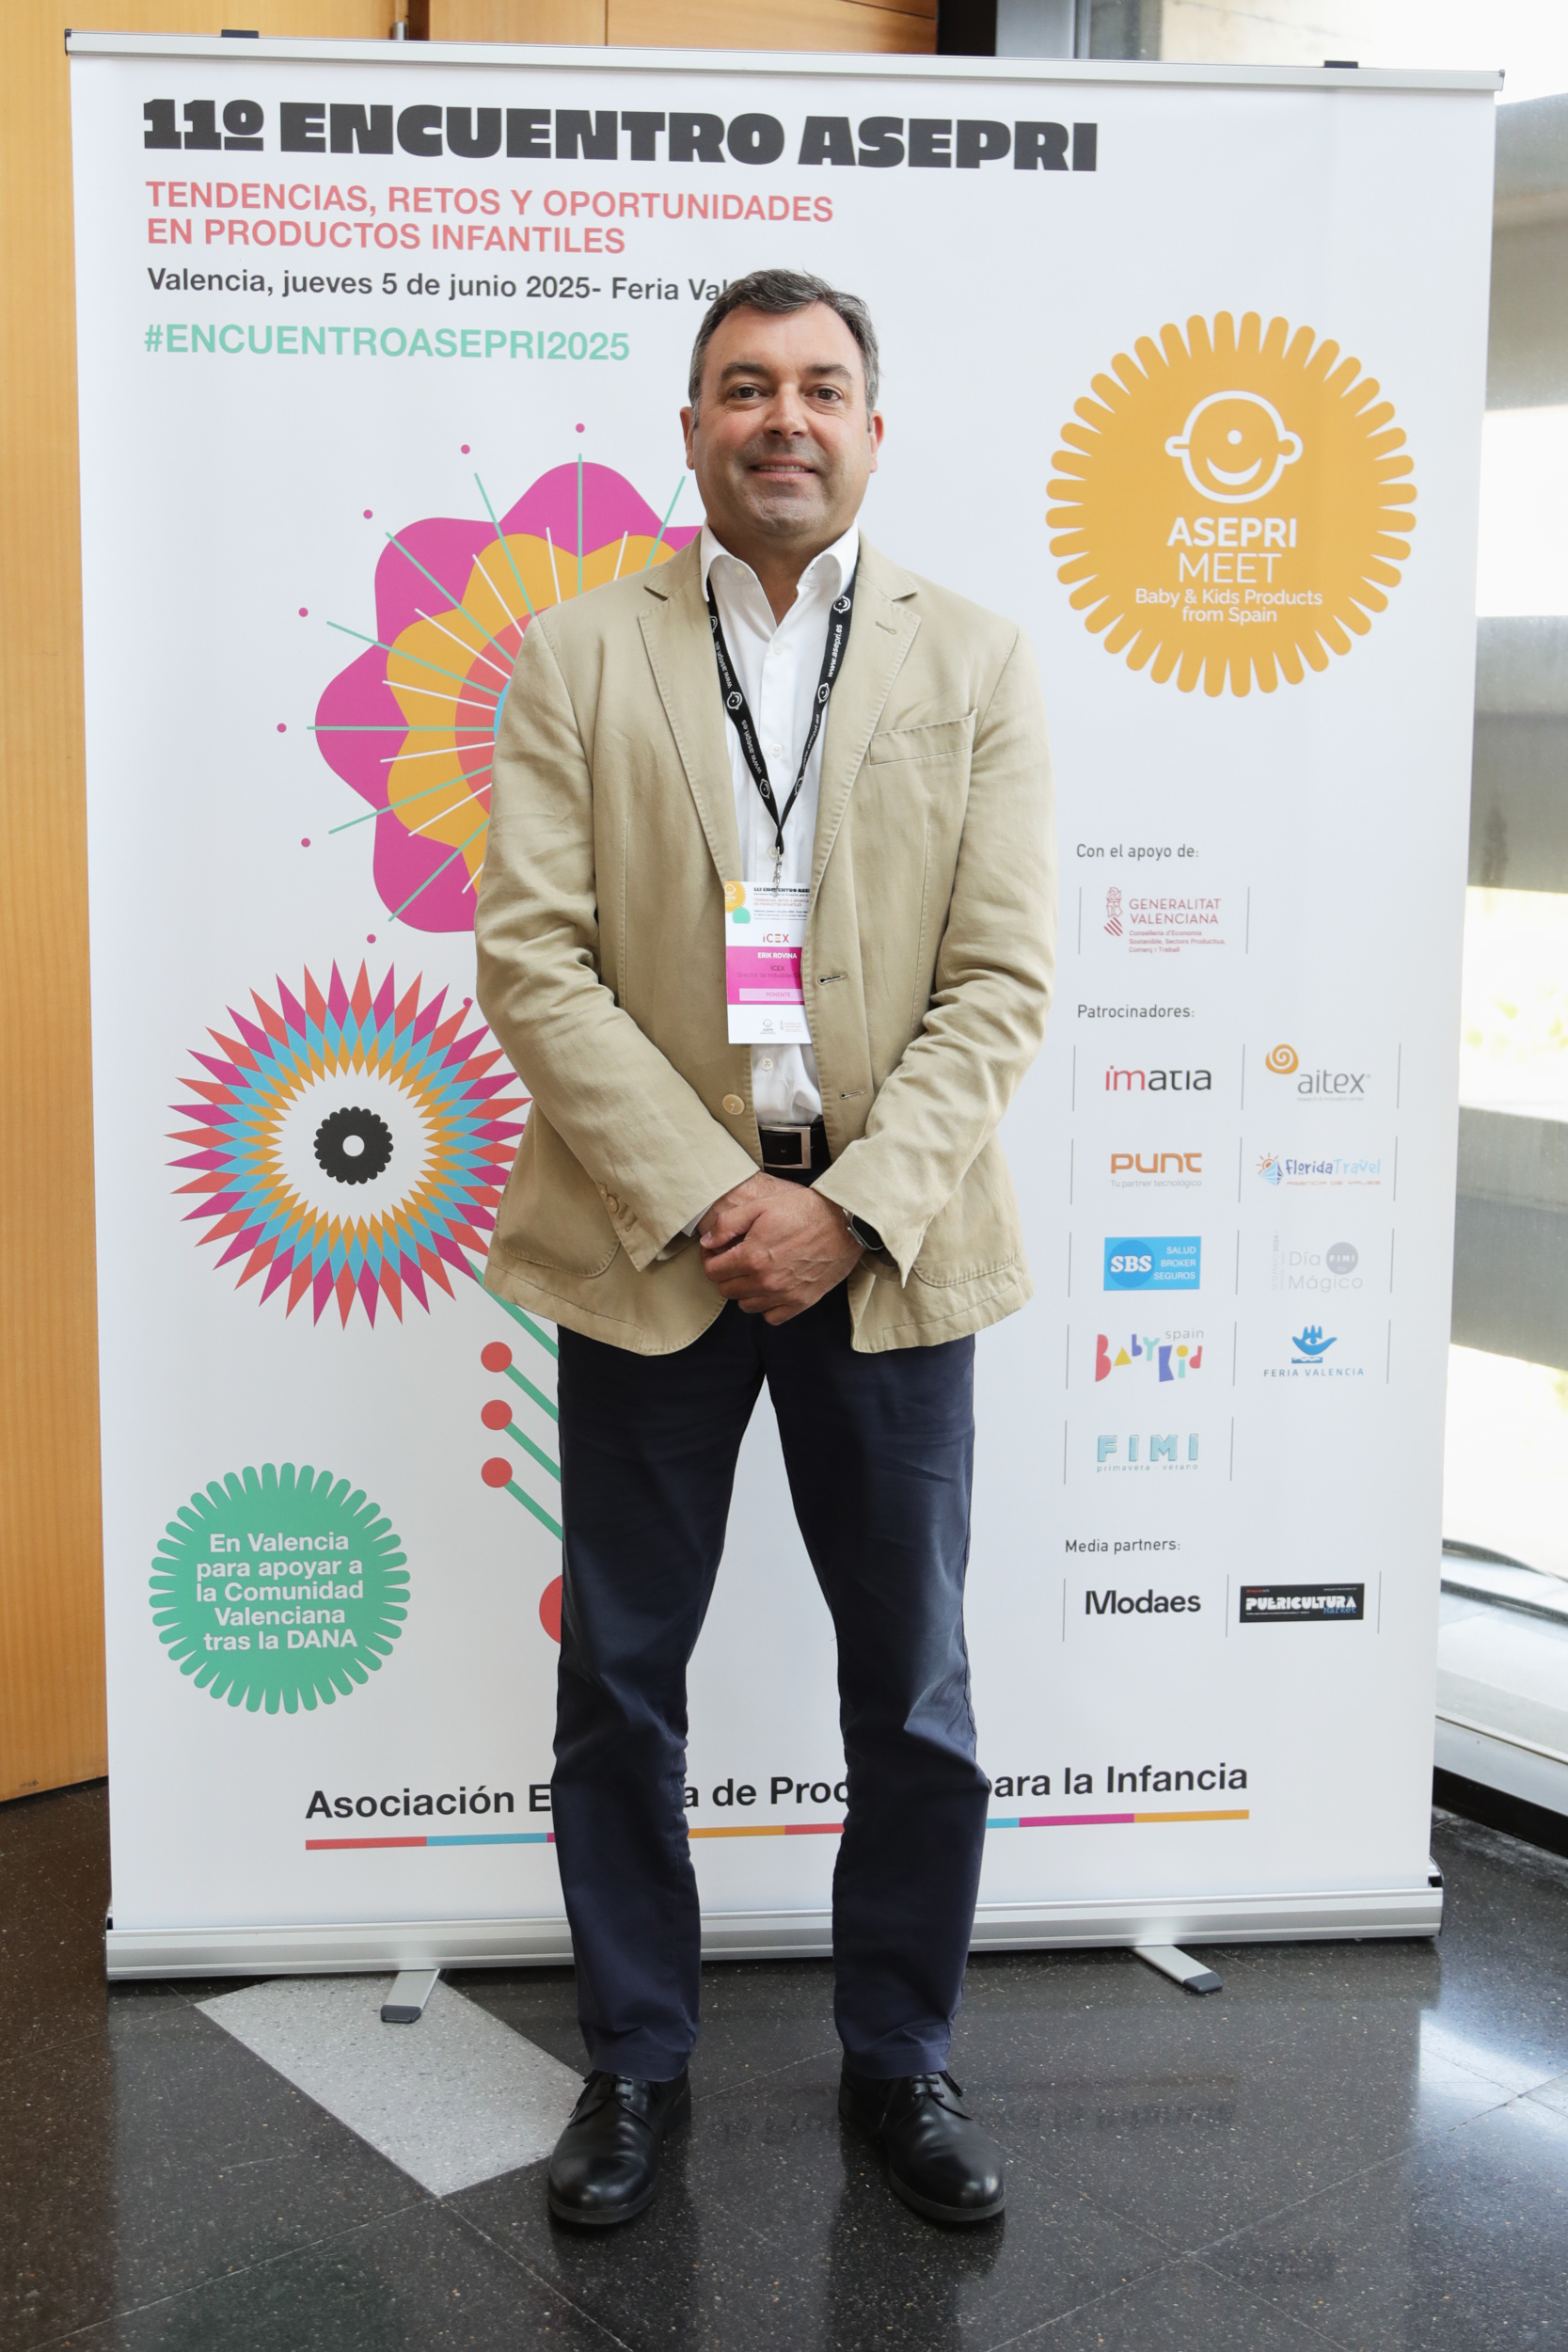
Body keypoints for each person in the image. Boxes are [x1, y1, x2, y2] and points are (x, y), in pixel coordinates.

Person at [475, 268, 1055, 2230]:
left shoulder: (977, 658)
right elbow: (531, 954)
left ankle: (903, 2055)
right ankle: (636, 2058)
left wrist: (849, 1204)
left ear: (873, 427)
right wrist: (713, 1195)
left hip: (891, 1249)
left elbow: (1003, 979)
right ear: (693, 428)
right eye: (744, 387)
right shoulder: (578, 653)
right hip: (655, 1247)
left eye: (819, 386)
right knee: (623, 1684)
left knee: (913, 1689)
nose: (781, 419)